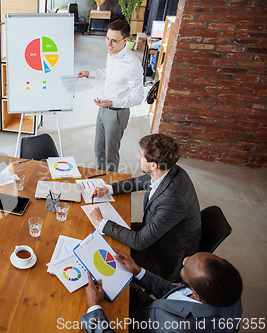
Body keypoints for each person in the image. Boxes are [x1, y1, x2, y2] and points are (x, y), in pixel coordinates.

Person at [87, 134, 201, 282]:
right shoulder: (167, 169)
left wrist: (101, 221)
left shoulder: (172, 199)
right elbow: (139, 182)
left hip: (166, 256)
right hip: (159, 234)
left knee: (111, 271)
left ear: (153, 164)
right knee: (105, 239)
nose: (137, 156)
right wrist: (107, 189)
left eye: (141, 155)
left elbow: (139, 242)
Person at [81, 249, 243, 333]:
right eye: (191, 257)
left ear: (197, 295)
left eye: (186, 267)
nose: (185, 259)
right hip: (151, 308)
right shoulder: (228, 290)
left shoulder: (176, 329)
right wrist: (138, 271)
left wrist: (95, 307)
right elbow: (177, 293)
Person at [78, 19, 144, 172]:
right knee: (98, 149)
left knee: (110, 155)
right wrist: (90, 74)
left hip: (117, 114)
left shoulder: (132, 65)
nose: (109, 43)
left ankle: (109, 186)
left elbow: (138, 97)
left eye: (114, 40)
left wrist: (112, 102)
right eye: (107, 38)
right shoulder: (112, 54)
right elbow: (109, 74)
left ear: (125, 41)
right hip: (103, 108)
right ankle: (98, 179)